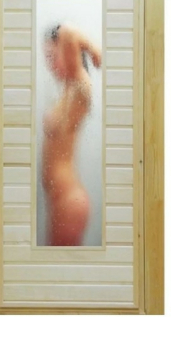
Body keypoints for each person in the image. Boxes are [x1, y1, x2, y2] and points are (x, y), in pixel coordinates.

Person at [42, 24, 102, 246]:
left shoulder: (79, 86)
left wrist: (93, 49)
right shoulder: (68, 92)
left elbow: (67, 31)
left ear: (69, 52)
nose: (50, 64)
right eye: (46, 58)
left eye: (52, 56)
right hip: (59, 200)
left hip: (69, 200)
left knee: (60, 265)